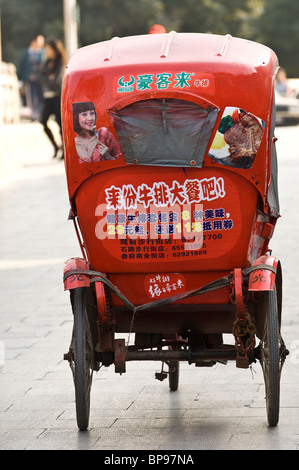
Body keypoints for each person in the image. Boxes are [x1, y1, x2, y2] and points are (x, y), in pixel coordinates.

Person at [39, 39, 67, 158]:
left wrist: (48, 78)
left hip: (57, 96)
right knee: (43, 122)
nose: (47, 52)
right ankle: (55, 146)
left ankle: (64, 152)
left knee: (60, 124)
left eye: (48, 49)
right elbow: (40, 78)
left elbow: (55, 80)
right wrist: (48, 78)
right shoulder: (46, 63)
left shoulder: (60, 62)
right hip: (47, 97)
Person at [17, 35, 44, 121]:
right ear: (34, 42)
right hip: (29, 80)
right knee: (31, 98)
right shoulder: (26, 54)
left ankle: (41, 115)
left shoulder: (42, 53)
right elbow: (21, 68)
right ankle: (34, 116)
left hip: (40, 80)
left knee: (41, 98)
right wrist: (20, 81)